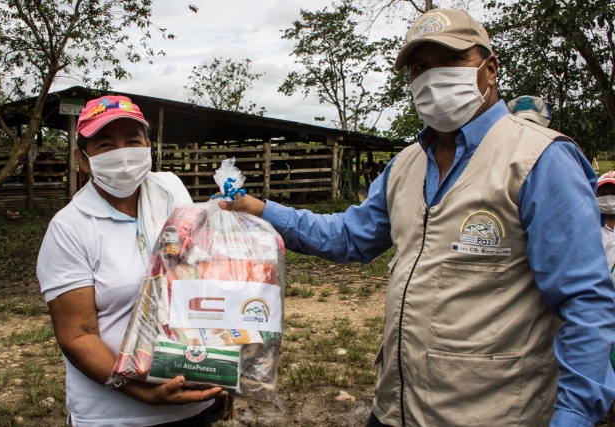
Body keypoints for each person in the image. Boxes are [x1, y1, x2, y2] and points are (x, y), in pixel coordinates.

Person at [220, 9, 615, 427]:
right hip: (398, 407)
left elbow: (586, 302)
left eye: (450, 60)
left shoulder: (538, 159)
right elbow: (349, 237)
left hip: (494, 411)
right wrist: (262, 210)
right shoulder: (406, 165)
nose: (433, 76)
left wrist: (573, 416)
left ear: (490, 69)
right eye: (420, 67)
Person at [36, 95, 226, 427]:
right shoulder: (69, 228)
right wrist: (143, 393)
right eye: (105, 144)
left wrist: (223, 370)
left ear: (148, 146)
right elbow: (77, 335)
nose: (122, 154)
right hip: (116, 416)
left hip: (191, 401)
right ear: (83, 159)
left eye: (132, 141)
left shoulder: (170, 190)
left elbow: (196, 276)